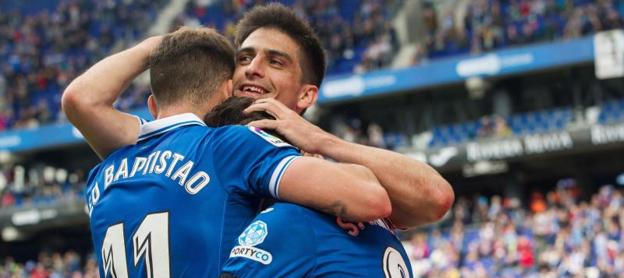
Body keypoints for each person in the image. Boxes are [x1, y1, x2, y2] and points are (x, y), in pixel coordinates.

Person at [84, 27, 391, 278]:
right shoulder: (229, 145)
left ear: (152, 105)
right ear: (227, 90)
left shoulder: (103, 177)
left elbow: (79, 99)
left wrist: (160, 45)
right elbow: (370, 197)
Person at [62, 3, 454, 230]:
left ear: (307, 94)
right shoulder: (184, 143)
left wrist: (321, 141)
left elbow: (434, 198)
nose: (252, 68)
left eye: (275, 61)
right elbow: (83, 101)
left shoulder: (332, 171)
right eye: (244, 58)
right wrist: (166, 45)